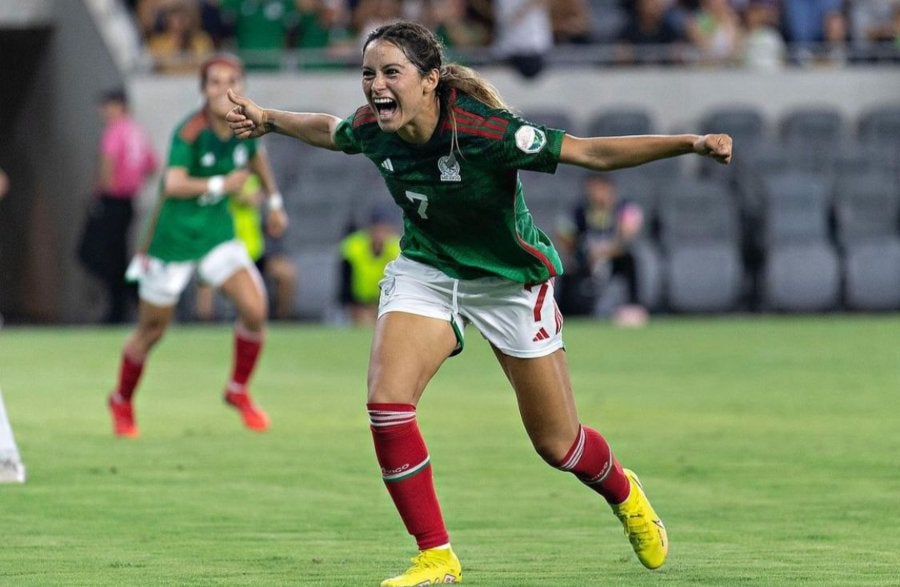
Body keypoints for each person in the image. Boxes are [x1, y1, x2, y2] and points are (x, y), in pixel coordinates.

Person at [225, 21, 732, 585]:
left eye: (391, 72)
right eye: (369, 73)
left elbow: (591, 152)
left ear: (431, 80)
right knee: (387, 402)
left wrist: (690, 143)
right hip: (430, 269)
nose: (375, 85)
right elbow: (329, 129)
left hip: (510, 282)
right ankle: (436, 557)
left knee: (557, 444)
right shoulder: (374, 128)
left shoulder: (488, 133)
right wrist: (269, 119)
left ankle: (625, 493)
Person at [106, 52, 287, 438]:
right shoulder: (190, 132)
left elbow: (258, 161)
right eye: (216, 83)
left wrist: (274, 202)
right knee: (153, 330)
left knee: (255, 309)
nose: (226, 89)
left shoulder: (245, 125)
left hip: (216, 235)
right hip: (172, 241)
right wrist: (222, 185)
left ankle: (237, 390)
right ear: (203, 91)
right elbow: (172, 183)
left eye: (233, 81)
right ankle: (121, 399)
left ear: (242, 87)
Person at [81, 88, 159, 324]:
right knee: (117, 254)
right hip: (128, 201)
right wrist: (133, 183)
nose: (102, 112)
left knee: (93, 253)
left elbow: (108, 163)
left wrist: (103, 192)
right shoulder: (136, 131)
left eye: (106, 106)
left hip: (112, 200)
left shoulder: (115, 132)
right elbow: (152, 165)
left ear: (118, 106)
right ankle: (124, 303)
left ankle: (126, 298)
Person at [555, 174, 648, 326]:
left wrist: (604, 252)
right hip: (587, 258)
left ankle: (633, 307)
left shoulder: (625, 208)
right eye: (592, 189)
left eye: (600, 189)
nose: (596, 193)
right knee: (567, 270)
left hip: (615, 256)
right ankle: (564, 311)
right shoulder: (578, 210)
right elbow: (563, 233)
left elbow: (628, 237)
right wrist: (575, 248)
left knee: (630, 261)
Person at [339, 207, 401, 326]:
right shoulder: (353, 248)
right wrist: (354, 308)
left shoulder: (396, 250)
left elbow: (400, 286)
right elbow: (345, 284)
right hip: (359, 304)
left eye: (384, 229)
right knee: (365, 322)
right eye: (378, 228)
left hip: (386, 305)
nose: (380, 234)